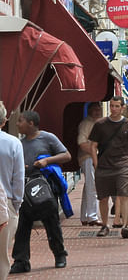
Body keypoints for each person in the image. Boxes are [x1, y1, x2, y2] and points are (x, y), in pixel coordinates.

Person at [10, 110, 70, 272]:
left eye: (20, 121)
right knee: (22, 225)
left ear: (31, 123)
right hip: (24, 189)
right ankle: (21, 261)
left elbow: (67, 155)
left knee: (51, 223)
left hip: (44, 188)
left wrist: (47, 160)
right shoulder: (19, 143)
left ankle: (59, 254)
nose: (17, 124)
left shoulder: (48, 137)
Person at [89, 96, 128, 240]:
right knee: (103, 197)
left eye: (117, 106)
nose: (114, 109)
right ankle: (105, 225)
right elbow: (93, 145)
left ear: (123, 108)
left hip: (123, 165)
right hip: (104, 166)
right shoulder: (100, 124)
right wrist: (96, 163)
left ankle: (125, 226)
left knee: (123, 195)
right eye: (112, 106)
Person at [0, 102, 24, 280]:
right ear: (4, 121)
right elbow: (19, 179)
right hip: (6, 204)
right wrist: (16, 204)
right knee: (1, 257)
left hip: (7, 203)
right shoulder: (13, 143)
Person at [76, 102, 102, 227]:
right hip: (88, 158)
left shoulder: (98, 123)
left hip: (91, 157)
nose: (98, 112)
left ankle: (85, 216)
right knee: (92, 186)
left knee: (89, 186)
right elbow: (81, 142)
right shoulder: (87, 124)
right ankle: (92, 216)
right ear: (90, 110)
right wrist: (95, 153)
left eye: (99, 109)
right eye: (95, 109)